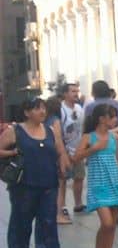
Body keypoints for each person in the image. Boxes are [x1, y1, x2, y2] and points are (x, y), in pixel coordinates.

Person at [0, 97, 70, 248]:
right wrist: (12, 152)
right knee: (21, 221)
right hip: (24, 185)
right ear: (26, 112)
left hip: (48, 184)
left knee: (48, 222)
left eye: (43, 108)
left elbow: (60, 150)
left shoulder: (50, 130)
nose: (42, 112)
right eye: (37, 109)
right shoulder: (15, 131)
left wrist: (63, 167)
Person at [73, 103, 118, 248]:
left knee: (112, 225)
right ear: (101, 118)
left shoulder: (114, 137)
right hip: (98, 185)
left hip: (113, 182)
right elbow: (75, 157)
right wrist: (95, 148)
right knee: (106, 223)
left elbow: (117, 159)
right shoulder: (88, 137)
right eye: (112, 116)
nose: (115, 120)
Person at [58, 82, 87, 218]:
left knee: (79, 177)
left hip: (78, 149)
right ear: (65, 94)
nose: (76, 93)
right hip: (64, 151)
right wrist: (63, 151)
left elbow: (83, 128)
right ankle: (62, 206)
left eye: (77, 90)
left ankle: (78, 204)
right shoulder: (61, 109)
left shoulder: (79, 108)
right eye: (73, 91)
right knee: (62, 179)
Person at [44, 96, 70, 225]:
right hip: (56, 156)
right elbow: (58, 140)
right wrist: (63, 158)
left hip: (45, 156)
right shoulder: (55, 120)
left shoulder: (44, 121)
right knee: (60, 186)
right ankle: (58, 214)